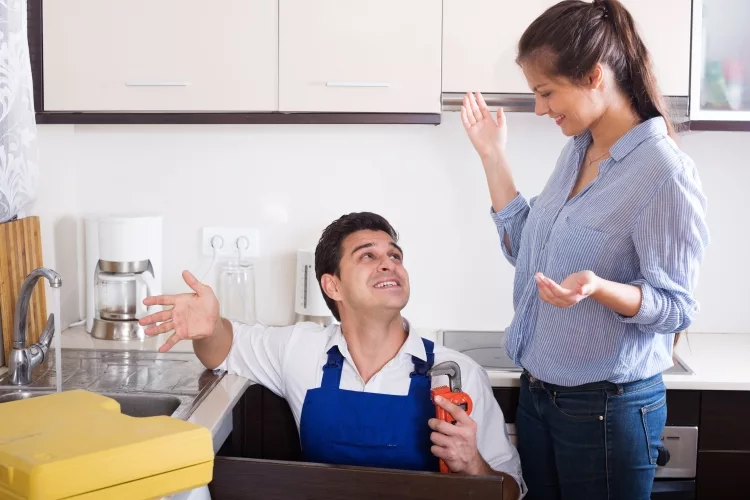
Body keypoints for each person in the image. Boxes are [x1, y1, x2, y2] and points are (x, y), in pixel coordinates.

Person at [459, 1, 709, 499]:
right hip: (539, 397)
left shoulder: (663, 173)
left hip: (606, 410)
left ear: (594, 76)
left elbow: (677, 309)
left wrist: (599, 288)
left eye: (546, 92)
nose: (539, 108)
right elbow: (527, 250)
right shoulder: (578, 149)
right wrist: (492, 154)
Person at [139, 212, 525, 498]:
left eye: (394, 255)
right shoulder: (302, 350)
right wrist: (209, 325)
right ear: (332, 285)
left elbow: (511, 492)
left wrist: (473, 466)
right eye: (368, 256)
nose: (389, 262)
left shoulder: (457, 374)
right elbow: (224, 346)